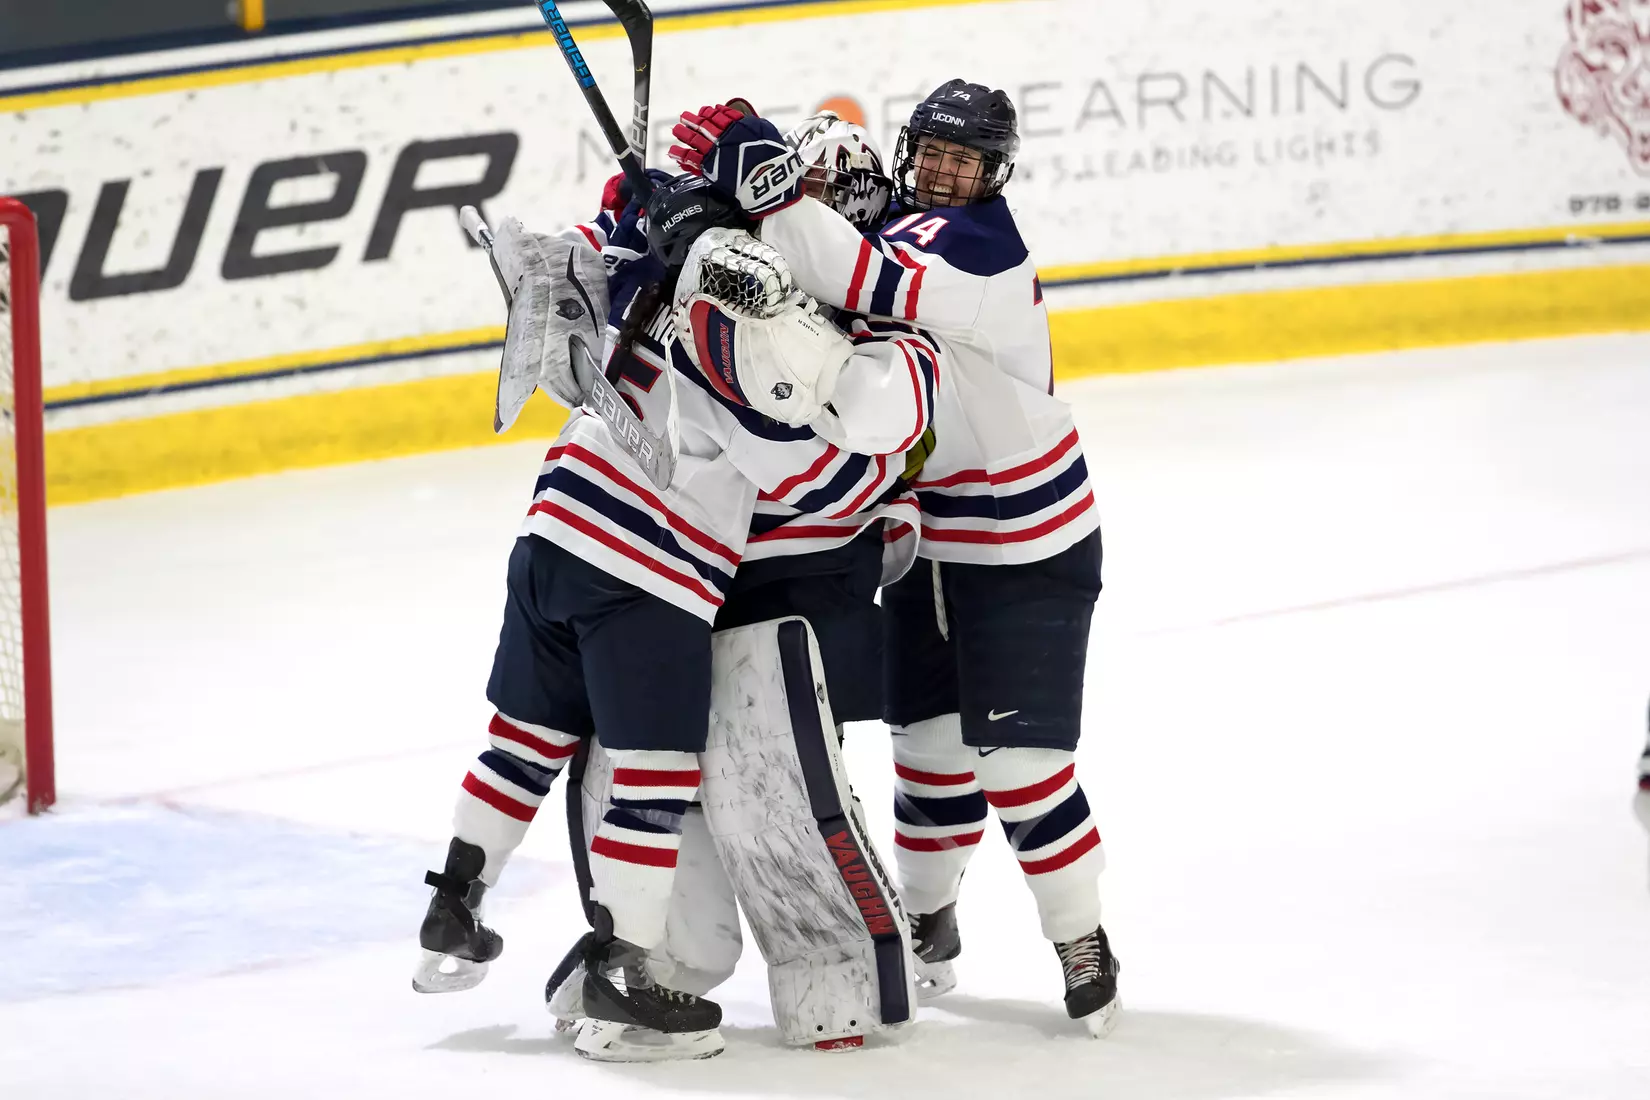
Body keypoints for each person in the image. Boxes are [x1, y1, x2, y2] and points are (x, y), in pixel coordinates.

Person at [414, 160, 938, 1060]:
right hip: (644, 573)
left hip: (552, 533)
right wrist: (880, 473)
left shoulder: (645, 281)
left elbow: (610, 230)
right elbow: (799, 477)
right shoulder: (737, 327)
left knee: (523, 740)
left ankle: (455, 899)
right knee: (655, 772)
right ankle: (623, 975)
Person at [670, 79, 1120, 1036]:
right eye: (934, 155)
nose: (945, 174)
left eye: (966, 162)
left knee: (1021, 765)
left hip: (1025, 539)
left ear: (994, 173)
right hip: (928, 534)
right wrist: (721, 215)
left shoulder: (980, 249)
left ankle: (1081, 937)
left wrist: (773, 191)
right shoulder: (906, 222)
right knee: (928, 753)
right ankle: (928, 923)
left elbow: (856, 283)